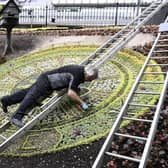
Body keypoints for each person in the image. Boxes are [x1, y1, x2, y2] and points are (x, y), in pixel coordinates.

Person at [0, 64, 98, 128]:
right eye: (90, 78)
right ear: (87, 73)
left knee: (26, 93)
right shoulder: (78, 73)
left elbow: (73, 88)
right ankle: (16, 117)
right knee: (32, 96)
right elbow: (71, 93)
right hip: (47, 80)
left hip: (49, 82)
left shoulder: (81, 74)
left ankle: (6, 101)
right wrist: (83, 104)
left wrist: (77, 98)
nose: (90, 80)